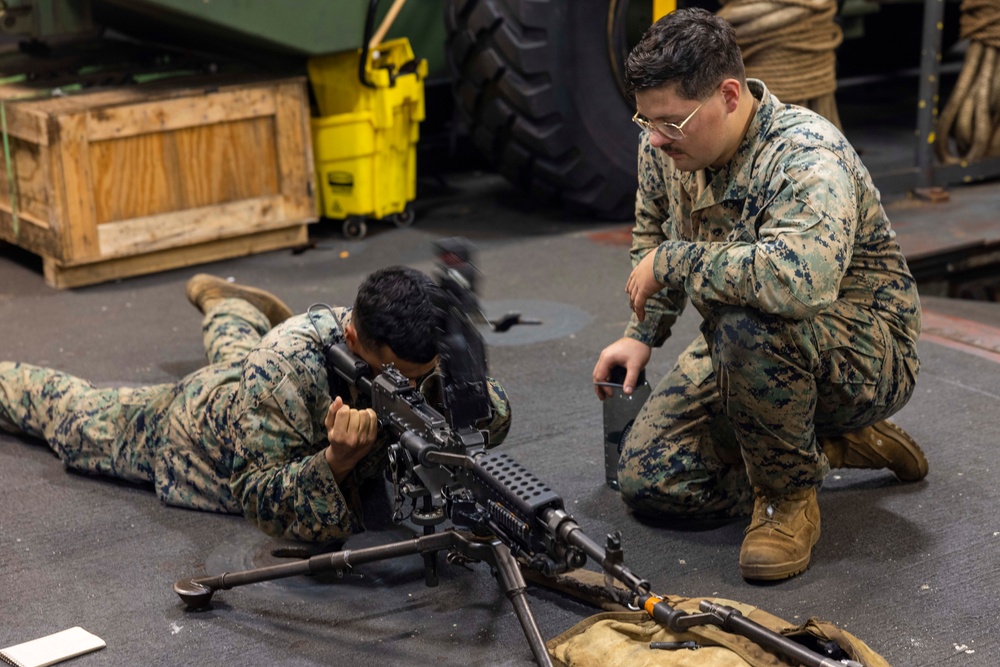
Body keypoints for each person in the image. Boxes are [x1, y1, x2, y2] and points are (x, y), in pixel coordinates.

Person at [592, 8, 926, 581]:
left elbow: (798, 283)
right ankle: (831, 444)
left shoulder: (805, 156)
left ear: (727, 94)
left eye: (670, 122)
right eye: (644, 121)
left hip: (862, 351)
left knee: (752, 319)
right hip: (742, 340)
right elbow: (654, 231)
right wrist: (641, 334)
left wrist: (673, 261)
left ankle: (788, 498)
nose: (653, 138)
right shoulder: (667, 144)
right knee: (649, 479)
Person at [0, 269, 511, 544]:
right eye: (394, 375)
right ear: (353, 337)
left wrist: (462, 391)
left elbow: (492, 417)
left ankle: (229, 303)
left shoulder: (420, 342)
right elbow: (258, 496)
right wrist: (336, 461)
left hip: (259, 385)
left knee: (242, 359)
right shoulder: (281, 371)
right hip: (197, 430)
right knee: (68, 416)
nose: (410, 387)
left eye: (418, 379)